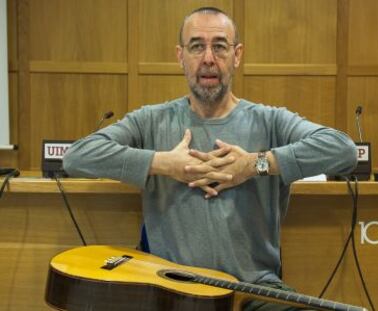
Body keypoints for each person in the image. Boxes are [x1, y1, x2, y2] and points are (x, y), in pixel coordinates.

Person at [63, 7, 357, 311]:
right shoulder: (151, 121)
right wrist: (164, 164)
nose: (208, 58)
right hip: (173, 294)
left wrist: (255, 165)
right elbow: (77, 157)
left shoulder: (270, 121)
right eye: (196, 46)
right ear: (180, 56)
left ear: (237, 55)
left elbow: (342, 150)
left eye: (219, 46)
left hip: (253, 294)